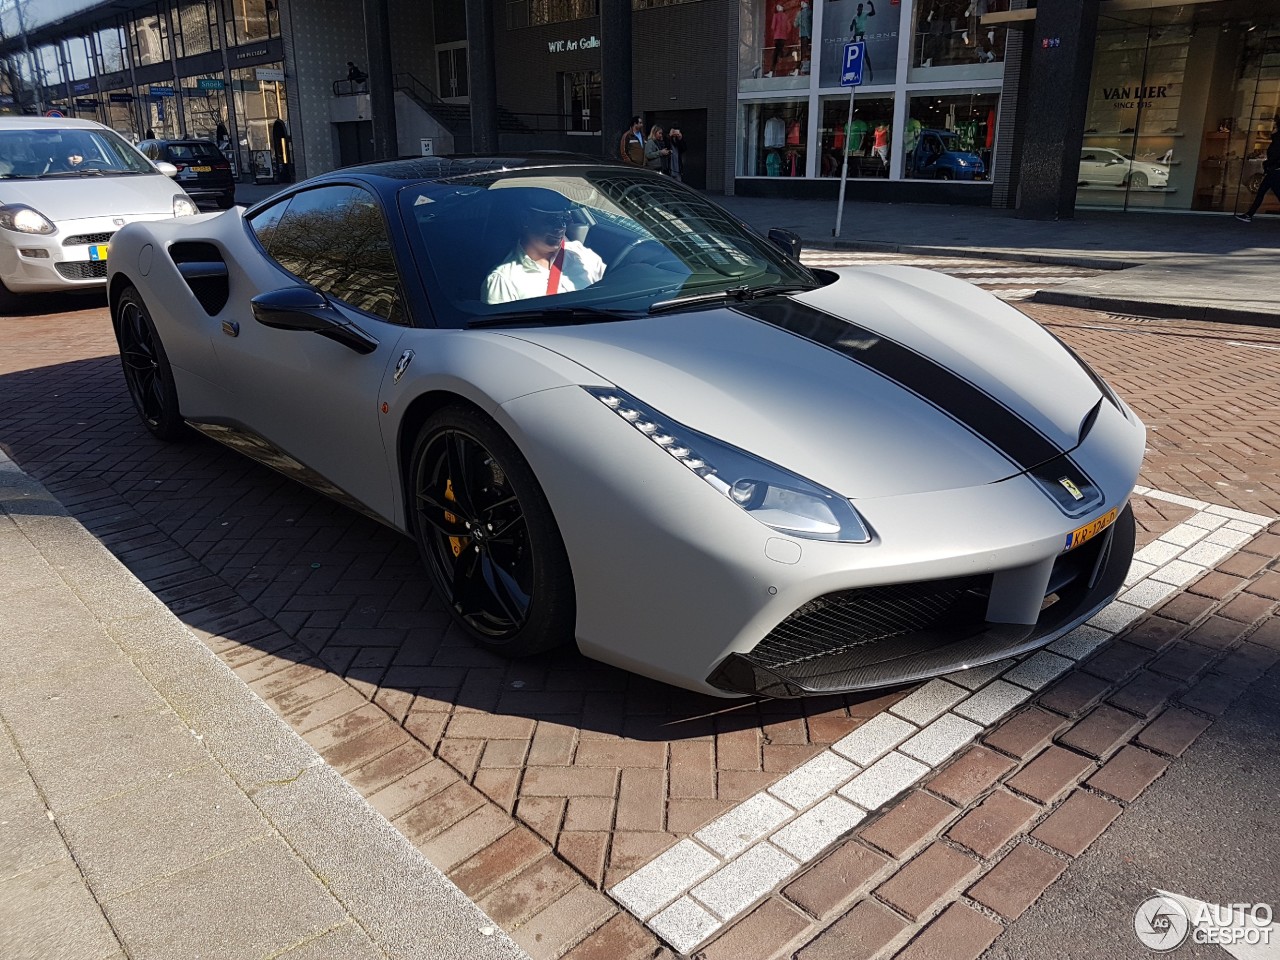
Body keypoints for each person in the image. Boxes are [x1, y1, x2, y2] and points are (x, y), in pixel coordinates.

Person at [483, 194, 605, 305]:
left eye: (565, 219)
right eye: (551, 219)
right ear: (525, 219)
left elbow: (611, 286)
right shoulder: (503, 280)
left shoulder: (581, 255)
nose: (560, 227)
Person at [1236, 123, 1280, 223]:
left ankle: (1249, 215)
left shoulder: (1277, 142)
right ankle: (1249, 214)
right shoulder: (1276, 141)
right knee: (1263, 192)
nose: (1272, 129)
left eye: (1274, 128)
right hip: (1274, 171)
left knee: (1262, 192)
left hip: (1274, 172)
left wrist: (1267, 164)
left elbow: (1274, 157)